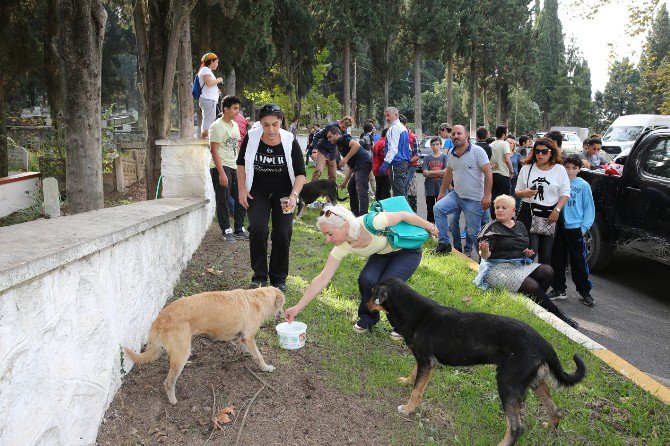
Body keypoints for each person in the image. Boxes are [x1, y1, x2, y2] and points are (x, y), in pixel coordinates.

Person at [283, 204, 439, 337]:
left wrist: (431, 228)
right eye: (325, 235)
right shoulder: (342, 245)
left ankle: (402, 324)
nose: (327, 240)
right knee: (366, 280)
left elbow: (404, 215)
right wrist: (297, 307)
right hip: (383, 253)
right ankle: (368, 318)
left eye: (330, 234)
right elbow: (323, 277)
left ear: (344, 225)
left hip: (407, 250)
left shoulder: (373, 222)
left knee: (388, 286)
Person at [474, 195, 579, 328]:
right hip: (497, 269)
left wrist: (526, 252)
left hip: (518, 265)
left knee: (548, 270)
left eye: (503, 207)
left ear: (513, 211)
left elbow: (521, 246)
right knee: (532, 285)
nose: (499, 210)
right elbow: (485, 255)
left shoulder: (520, 226)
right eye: (497, 208)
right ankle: (557, 314)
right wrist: (484, 251)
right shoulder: (491, 228)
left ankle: (534, 305)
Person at [236, 103, 306, 291]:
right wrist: (242, 189)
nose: (271, 129)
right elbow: (241, 164)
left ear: (281, 122)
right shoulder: (251, 138)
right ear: (260, 123)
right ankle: (259, 276)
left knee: (282, 232)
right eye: (266, 125)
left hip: (284, 194)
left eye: (275, 124)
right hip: (257, 191)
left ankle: (278, 278)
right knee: (258, 230)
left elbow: (301, 173)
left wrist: (294, 195)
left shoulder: (290, 140)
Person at [433, 125, 493, 254]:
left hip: (474, 199)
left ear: (466, 135)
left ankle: (485, 260)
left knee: (473, 233)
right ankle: (444, 244)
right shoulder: (451, 153)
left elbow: (488, 174)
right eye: (453, 134)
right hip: (457, 195)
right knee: (438, 208)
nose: (456, 136)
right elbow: (449, 173)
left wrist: (487, 195)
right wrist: (442, 192)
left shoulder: (478, 151)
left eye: (459, 133)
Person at [548, 154, 595, 306]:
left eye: (574, 168)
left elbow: (589, 209)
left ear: (579, 169)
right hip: (558, 226)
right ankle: (559, 289)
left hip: (575, 228)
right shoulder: (558, 183)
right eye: (567, 167)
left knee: (578, 261)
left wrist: (584, 228)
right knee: (557, 258)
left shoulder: (583, 185)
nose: (569, 171)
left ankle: (584, 291)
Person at [514, 137, 570, 265]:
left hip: (550, 215)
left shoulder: (559, 169)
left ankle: (542, 282)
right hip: (530, 213)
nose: (540, 154)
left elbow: (565, 193)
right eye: (537, 151)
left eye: (544, 151)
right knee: (530, 252)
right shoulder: (527, 168)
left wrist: (557, 210)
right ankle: (525, 281)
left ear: (551, 152)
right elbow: (517, 191)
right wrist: (524, 193)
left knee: (546, 254)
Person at [209, 95, 248, 242]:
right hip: (221, 167)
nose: (237, 112)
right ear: (226, 109)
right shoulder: (217, 126)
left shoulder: (235, 125)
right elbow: (213, 150)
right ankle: (226, 230)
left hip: (233, 166)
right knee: (223, 200)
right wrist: (221, 173)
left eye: (238, 108)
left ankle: (239, 229)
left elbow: (236, 146)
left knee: (241, 197)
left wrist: (240, 167)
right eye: (235, 108)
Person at [328, 126, 372, 216]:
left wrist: (345, 159)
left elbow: (356, 145)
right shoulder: (339, 145)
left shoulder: (344, 139)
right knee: (351, 187)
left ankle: (364, 215)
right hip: (357, 166)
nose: (329, 139)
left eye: (330, 137)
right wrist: (344, 182)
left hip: (364, 163)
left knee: (361, 189)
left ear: (337, 134)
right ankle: (354, 213)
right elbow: (351, 167)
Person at [381, 107, 411, 197]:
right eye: (385, 116)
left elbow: (393, 149)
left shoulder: (394, 129)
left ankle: (404, 210)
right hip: (403, 163)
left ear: (396, 115)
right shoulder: (403, 128)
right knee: (401, 191)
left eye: (388, 115)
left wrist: (385, 163)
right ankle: (405, 210)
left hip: (396, 163)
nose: (387, 118)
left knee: (398, 193)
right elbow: (409, 149)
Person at [312, 116, 353, 182]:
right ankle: (311, 189)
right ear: (340, 122)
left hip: (332, 153)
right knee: (318, 171)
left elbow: (342, 145)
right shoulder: (330, 126)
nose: (344, 129)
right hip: (323, 150)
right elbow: (317, 136)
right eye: (343, 127)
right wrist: (314, 151)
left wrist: (346, 158)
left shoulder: (344, 131)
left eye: (346, 128)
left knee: (333, 176)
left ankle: (332, 191)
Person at [489, 125, 515, 218]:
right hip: (503, 174)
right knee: (506, 199)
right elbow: (507, 160)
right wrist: (512, 171)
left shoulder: (491, 145)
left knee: (494, 198)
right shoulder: (504, 144)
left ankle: (494, 217)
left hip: (493, 175)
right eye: (507, 132)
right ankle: (506, 218)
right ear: (504, 134)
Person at [197, 53, 224, 139]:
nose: (217, 64)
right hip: (208, 99)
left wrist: (216, 91)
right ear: (211, 61)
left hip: (210, 99)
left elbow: (209, 85)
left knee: (214, 121)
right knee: (209, 122)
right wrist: (218, 80)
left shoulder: (207, 70)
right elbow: (209, 83)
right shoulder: (205, 69)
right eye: (216, 62)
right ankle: (204, 141)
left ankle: (206, 140)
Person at [422, 137, 448, 223]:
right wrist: (439, 173)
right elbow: (425, 173)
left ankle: (440, 226)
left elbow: (446, 172)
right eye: (433, 145)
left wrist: (430, 173)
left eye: (437, 144)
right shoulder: (427, 158)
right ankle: (430, 227)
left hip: (441, 187)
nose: (435, 146)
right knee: (430, 209)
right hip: (430, 188)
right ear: (430, 146)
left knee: (441, 208)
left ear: (441, 145)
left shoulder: (445, 157)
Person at [372, 128, 391, 200]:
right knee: (386, 191)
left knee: (379, 189)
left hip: (376, 169)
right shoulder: (384, 143)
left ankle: (378, 205)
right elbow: (385, 157)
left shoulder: (378, 142)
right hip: (383, 170)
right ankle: (386, 207)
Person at [359, 121, 376, 194]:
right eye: (373, 127)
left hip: (368, 160)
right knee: (371, 178)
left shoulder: (369, 137)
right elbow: (360, 145)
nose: (374, 129)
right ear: (371, 129)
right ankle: (376, 193)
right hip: (366, 161)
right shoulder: (366, 137)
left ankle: (367, 190)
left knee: (369, 177)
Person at [509, 135, 523, 210]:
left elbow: (524, 163)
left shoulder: (517, 155)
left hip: (514, 178)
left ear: (514, 145)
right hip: (504, 178)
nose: (509, 145)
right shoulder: (502, 155)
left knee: (515, 197)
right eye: (507, 143)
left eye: (511, 143)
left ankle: (515, 212)